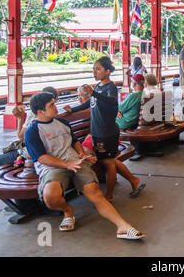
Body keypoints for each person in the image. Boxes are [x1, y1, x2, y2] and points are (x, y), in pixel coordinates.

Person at [24, 92, 144, 239]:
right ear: (40, 111)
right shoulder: (33, 132)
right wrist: (66, 164)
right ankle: (68, 211)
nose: (56, 107)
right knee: (51, 197)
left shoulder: (62, 123)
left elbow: (74, 141)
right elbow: (41, 158)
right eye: (51, 105)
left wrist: (81, 154)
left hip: (75, 161)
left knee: (95, 192)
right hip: (53, 167)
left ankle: (122, 226)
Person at [64, 56, 120, 203]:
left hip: (107, 132)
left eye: (98, 69)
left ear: (107, 71)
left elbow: (112, 101)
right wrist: (73, 110)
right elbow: (90, 103)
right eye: (94, 69)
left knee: (109, 163)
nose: (95, 72)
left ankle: (109, 194)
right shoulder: (99, 87)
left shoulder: (110, 87)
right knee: (107, 162)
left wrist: (93, 93)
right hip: (97, 132)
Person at [75, 87, 146, 198]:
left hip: (102, 138)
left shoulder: (98, 103)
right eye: (78, 95)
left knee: (109, 163)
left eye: (82, 94)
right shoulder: (95, 104)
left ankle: (109, 195)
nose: (80, 98)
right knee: (110, 161)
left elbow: (111, 106)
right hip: (102, 137)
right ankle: (133, 180)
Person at [0, 87, 59, 172]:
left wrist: (20, 118)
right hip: (49, 149)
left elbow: (22, 137)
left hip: (32, 153)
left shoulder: (37, 112)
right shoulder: (57, 114)